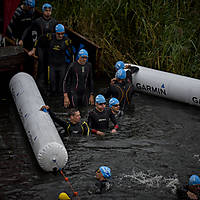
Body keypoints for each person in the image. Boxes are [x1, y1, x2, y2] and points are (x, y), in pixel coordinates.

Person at [36, 24, 74, 95]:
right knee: (52, 88)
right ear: (55, 32)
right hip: (51, 65)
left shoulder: (66, 40)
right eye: (58, 34)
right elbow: (40, 39)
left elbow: (72, 54)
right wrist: (34, 49)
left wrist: (72, 66)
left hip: (62, 65)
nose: (60, 36)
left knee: (61, 89)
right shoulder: (50, 37)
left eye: (62, 34)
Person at [27, 3, 57, 89]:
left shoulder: (54, 22)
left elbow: (56, 36)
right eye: (46, 10)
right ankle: (39, 84)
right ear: (43, 11)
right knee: (41, 64)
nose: (48, 12)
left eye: (49, 11)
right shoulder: (37, 21)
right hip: (40, 47)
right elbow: (34, 36)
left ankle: (49, 84)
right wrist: (33, 49)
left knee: (50, 65)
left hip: (50, 47)